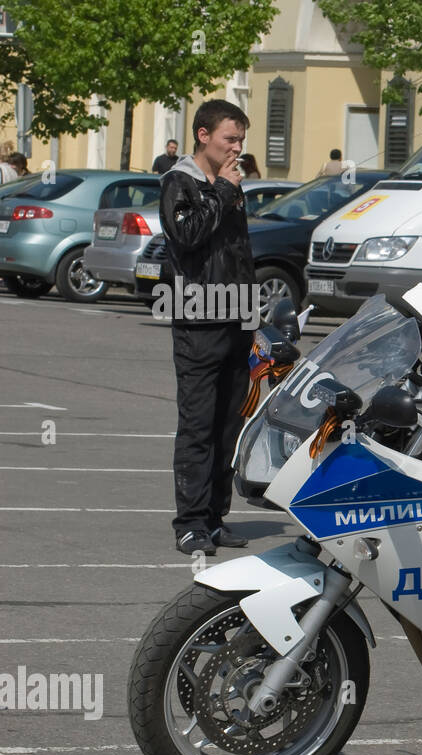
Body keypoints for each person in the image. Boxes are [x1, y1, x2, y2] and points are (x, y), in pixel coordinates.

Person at [158, 99, 257, 557]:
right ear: (203, 136)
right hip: (198, 317)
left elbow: (238, 253)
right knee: (198, 424)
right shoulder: (180, 182)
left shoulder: (231, 185)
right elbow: (188, 236)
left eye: (240, 140)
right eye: (229, 139)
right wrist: (219, 190)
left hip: (236, 315)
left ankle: (216, 516)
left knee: (228, 424)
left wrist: (254, 318)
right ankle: (191, 522)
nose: (237, 148)